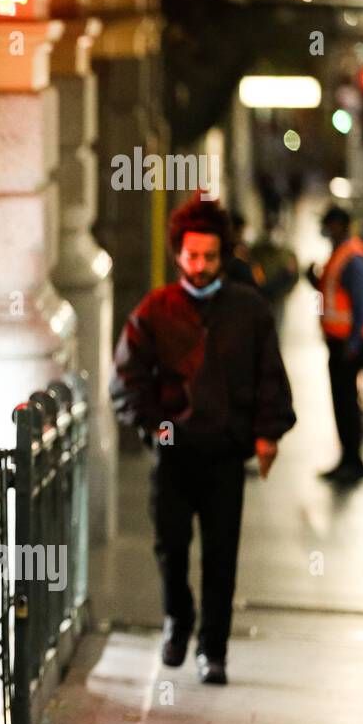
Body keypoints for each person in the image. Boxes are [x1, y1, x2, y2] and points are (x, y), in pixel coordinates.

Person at [111, 195, 295, 685]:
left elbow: (269, 376)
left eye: (210, 257)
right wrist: (161, 430)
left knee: (221, 552)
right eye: (192, 257)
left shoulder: (248, 309)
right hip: (173, 456)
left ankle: (213, 649)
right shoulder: (156, 309)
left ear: (222, 255)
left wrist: (266, 433)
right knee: (170, 546)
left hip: (225, 455)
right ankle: (178, 621)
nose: (201, 266)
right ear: (178, 255)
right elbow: (127, 381)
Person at [305, 205, 363, 484]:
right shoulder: (340, 254)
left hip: (348, 344)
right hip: (338, 341)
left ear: (340, 225)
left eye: (330, 224)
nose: (326, 230)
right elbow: (331, 295)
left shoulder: (351, 256)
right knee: (342, 403)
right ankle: (347, 458)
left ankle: (353, 461)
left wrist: (353, 343)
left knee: (346, 404)